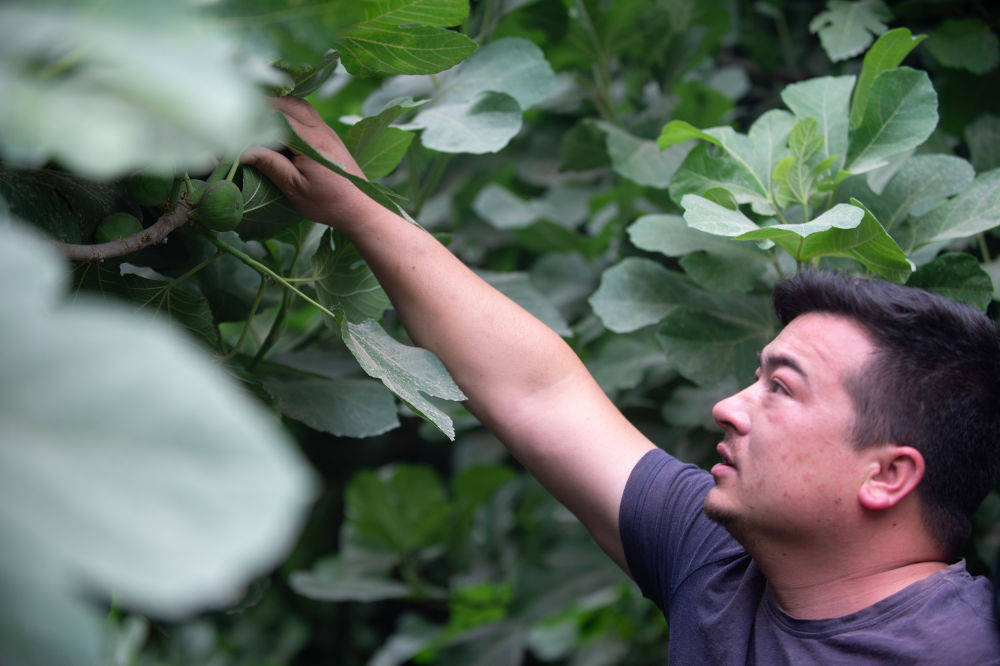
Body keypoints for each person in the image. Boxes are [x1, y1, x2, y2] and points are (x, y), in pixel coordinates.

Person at [244, 97, 1000, 663]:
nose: (727, 408)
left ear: (889, 474)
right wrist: (356, 208)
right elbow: (539, 393)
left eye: (781, 388)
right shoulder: (720, 564)